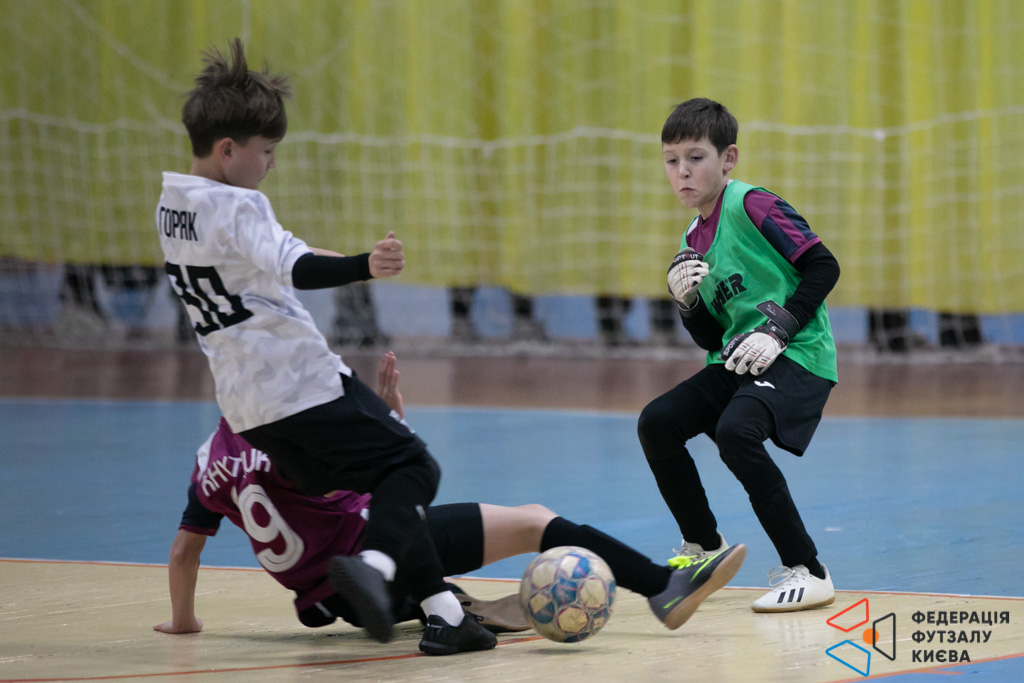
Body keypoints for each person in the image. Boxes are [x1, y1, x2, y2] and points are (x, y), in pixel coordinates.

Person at [155, 38, 472, 651]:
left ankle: (449, 619)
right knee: (414, 468)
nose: (270, 164)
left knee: (385, 481)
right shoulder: (241, 204)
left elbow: (274, 256)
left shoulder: (172, 204)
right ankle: (375, 569)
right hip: (299, 380)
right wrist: (362, 266)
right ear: (228, 149)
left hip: (247, 411)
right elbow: (294, 266)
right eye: (266, 151)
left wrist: (354, 260)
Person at [154, 353, 747, 649]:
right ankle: (662, 588)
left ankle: (445, 603)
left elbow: (184, 552)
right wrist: (388, 422)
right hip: (375, 559)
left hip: (334, 598)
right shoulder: (289, 438)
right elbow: (382, 481)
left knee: (473, 533)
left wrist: (185, 623)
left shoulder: (211, 460)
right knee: (536, 521)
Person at [637, 98, 841, 613]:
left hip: (798, 352)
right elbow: (712, 339)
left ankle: (809, 570)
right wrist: (687, 304)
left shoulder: (752, 204)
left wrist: (779, 329)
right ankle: (704, 548)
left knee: (736, 432)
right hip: (736, 358)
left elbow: (824, 266)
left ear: (728, 158)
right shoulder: (690, 239)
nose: (682, 172)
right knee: (657, 422)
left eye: (695, 157)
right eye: (671, 160)